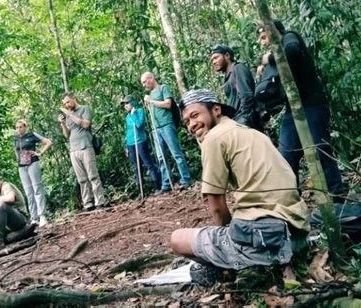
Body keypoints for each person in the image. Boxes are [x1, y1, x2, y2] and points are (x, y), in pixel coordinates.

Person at [170, 89, 309, 285]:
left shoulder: (213, 138)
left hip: (267, 240)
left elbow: (218, 209)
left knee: (177, 239)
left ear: (216, 110)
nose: (192, 125)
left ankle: (233, 266)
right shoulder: (253, 133)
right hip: (298, 235)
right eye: (187, 122)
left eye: (195, 115)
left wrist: (219, 247)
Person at [257, 20, 344, 200]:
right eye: (261, 39)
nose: (263, 42)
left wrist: (269, 59)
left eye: (265, 37)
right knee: (286, 153)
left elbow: (292, 52)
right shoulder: (278, 54)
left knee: (321, 150)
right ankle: (291, 198)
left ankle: (336, 196)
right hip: (292, 109)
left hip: (312, 104)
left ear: (275, 31)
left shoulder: (290, 37)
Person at [141, 72, 191, 194]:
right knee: (161, 157)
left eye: (144, 82)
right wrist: (149, 103)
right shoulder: (150, 95)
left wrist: (151, 101)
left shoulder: (163, 88)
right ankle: (166, 183)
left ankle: (186, 179)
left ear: (151, 78)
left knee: (176, 153)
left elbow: (168, 104)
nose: (143, 85)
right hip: (155, 128)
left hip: (167, 125)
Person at [58, 92, 107, 210]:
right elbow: (67, 134)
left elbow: (85, 124)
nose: (67, 105)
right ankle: (88, 202)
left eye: (68, 101)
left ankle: (99, 201)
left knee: (93, 176)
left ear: (74, 99)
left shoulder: (85, 109)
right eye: (65, 104)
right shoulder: (69, 116)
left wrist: (69, 114)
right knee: (82, 179)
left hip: (86, 146)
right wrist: (63, 123)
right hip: (73, 149)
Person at [210, 44, 261, 131]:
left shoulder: (238, 68)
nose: (214, 62)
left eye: (216, 58)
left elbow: (247, 96)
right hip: (237, 119)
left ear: (227, 56)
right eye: (212, 60)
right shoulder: (227, 76)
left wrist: (245, 121)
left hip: (245, 120)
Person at [121, 95, 162, 197]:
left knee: (148, 163)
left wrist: (134, 114)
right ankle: (141, 191)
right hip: (131, 143)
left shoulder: (139, 111)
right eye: (124, 104)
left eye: (127, 103)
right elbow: (128, 131)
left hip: (140, 141)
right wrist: (126, 145)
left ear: (132, 102)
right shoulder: (127, 116)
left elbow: (139, 125)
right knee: (136, 167)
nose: (125, 106)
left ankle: (157, 186)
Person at [14, 119, 52, 227]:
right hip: (22, 166)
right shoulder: (16, 139)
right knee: (28, 191)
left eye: (21, 127)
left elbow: (48, 142)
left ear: (25, 127)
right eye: (17, 127)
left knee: (37, 188)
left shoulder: (31, 135)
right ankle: (34, 217)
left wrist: (40, 153)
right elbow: (16, 151)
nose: (19, 129)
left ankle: (42, 216)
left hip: (33, 163)